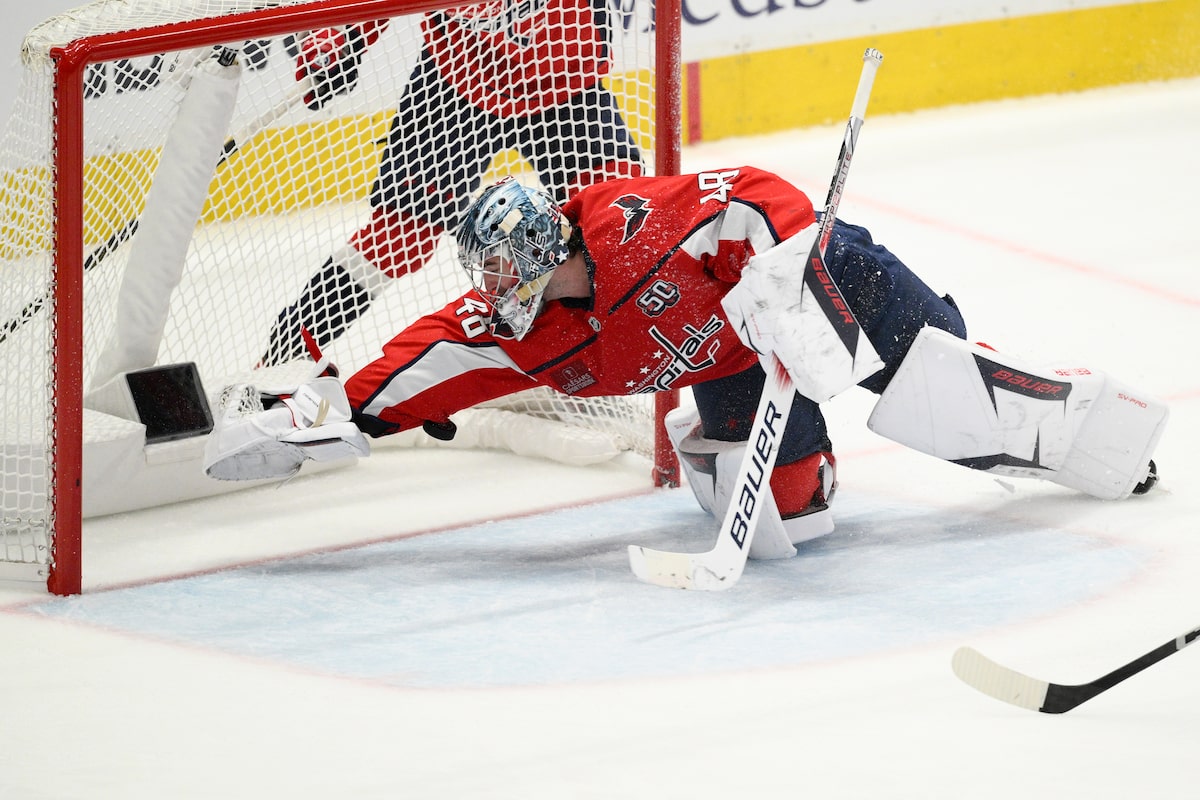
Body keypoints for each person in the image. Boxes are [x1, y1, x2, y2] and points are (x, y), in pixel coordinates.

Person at [208, 167, 1164, 560]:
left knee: (937, 401)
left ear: (548, 248)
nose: (495, 285)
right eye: (487, 271)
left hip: (827, 285)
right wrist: (335, 415)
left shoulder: (634, 225)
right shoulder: (522, 327)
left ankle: (1101, 434)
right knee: (795, 518)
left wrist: (784, 272)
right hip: (737, 359)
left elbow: (750, 193)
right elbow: (424, 361)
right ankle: (741, 438)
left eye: (507, 266)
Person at [260, 0, 644, 367]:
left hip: (564, 85)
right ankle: (278, 362)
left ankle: (576, 362)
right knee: (396, 239)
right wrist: (337, 37)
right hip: (455, 80)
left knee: (617, 216)